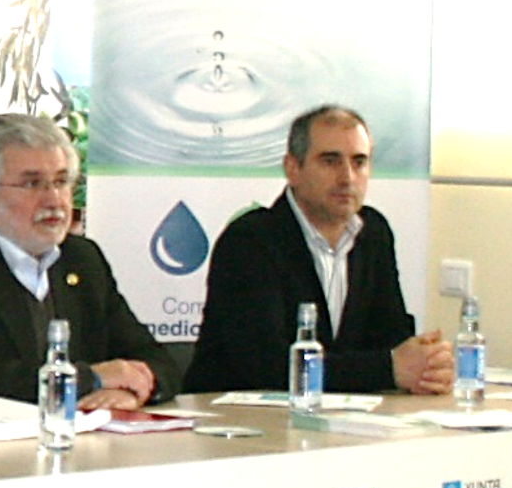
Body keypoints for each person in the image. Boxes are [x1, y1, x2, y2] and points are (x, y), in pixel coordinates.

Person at [0, 113, 178, 409]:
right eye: (32, 184)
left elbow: (157, 361)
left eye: (61, 181)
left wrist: (132, 391)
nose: (54, 200)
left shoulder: (82, 259)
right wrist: (90, 379)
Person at [184, 105, 452, 395]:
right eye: (330, 161)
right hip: (241, 416)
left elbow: (390, 335)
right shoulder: (250, 241)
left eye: (359, 162)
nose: (347, 177)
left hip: (341, 413)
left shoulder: (373, 233)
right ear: (293, 169)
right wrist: (388, 369)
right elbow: (267, 367)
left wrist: (425, 363)